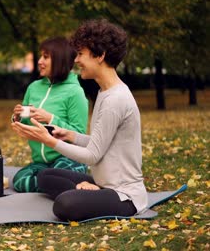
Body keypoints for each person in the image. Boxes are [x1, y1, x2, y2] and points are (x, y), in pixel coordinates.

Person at [12, 19, 148, 221]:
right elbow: (99, 142)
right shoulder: (105, 92)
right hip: (104, 183)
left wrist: (50, 140)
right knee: (46, 176)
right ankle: (93, 190)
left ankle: (92, 193)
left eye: (81, 54)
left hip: (125, 195)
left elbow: (92, 155)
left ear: (100, 56)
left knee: (64, 205)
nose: (76, 60)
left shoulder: (116, 99)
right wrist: (71, 136)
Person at [11, 37, 89, 193]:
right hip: (41, 162)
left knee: (54, 174)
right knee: (19, 180)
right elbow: (27, 123)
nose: (40, 61)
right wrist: (18, 117)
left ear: (59, 60)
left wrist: (50, 118)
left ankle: (54, 182)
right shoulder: (33, 87)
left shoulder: (75, 92)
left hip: (67, 159)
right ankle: (55, 184)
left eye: (45, 57)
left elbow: (79, 134)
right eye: (41, 56)